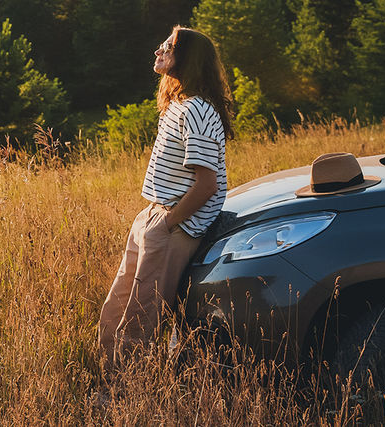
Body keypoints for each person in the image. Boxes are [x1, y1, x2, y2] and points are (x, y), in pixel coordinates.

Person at [95, 26, 233, 369]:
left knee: (138, 321)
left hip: (174, 225)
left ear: (186, 58)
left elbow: (206, 184)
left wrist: (169, 224)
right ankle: (107, 381)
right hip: (153, 215)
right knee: (115, 309)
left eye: (168, 47)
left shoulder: (198, 110)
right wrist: (156, 220)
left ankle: (127, 392)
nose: (159, 51)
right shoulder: (178, 105)